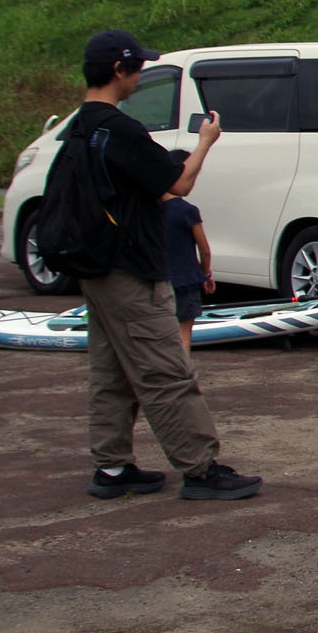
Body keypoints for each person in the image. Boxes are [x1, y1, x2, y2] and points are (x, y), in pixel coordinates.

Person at [57, 29, 261, 501]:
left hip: (96, 266)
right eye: (137, 67)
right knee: (165, 370)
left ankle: (111, 468)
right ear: (118, 70)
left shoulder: (79, 127)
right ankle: (200, 468)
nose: (141, 75)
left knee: (110, 371)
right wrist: (205, 142)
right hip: (131, 268)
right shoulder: (121, 129)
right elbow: (179, 183)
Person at [161, 149, 214, 354]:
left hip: (158, 281)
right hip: (186, 281)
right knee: (183, 333)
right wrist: (206, 273)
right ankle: (181, 376)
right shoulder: (187, 210)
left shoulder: (151, 209)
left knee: (161, 334)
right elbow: (205, 249)